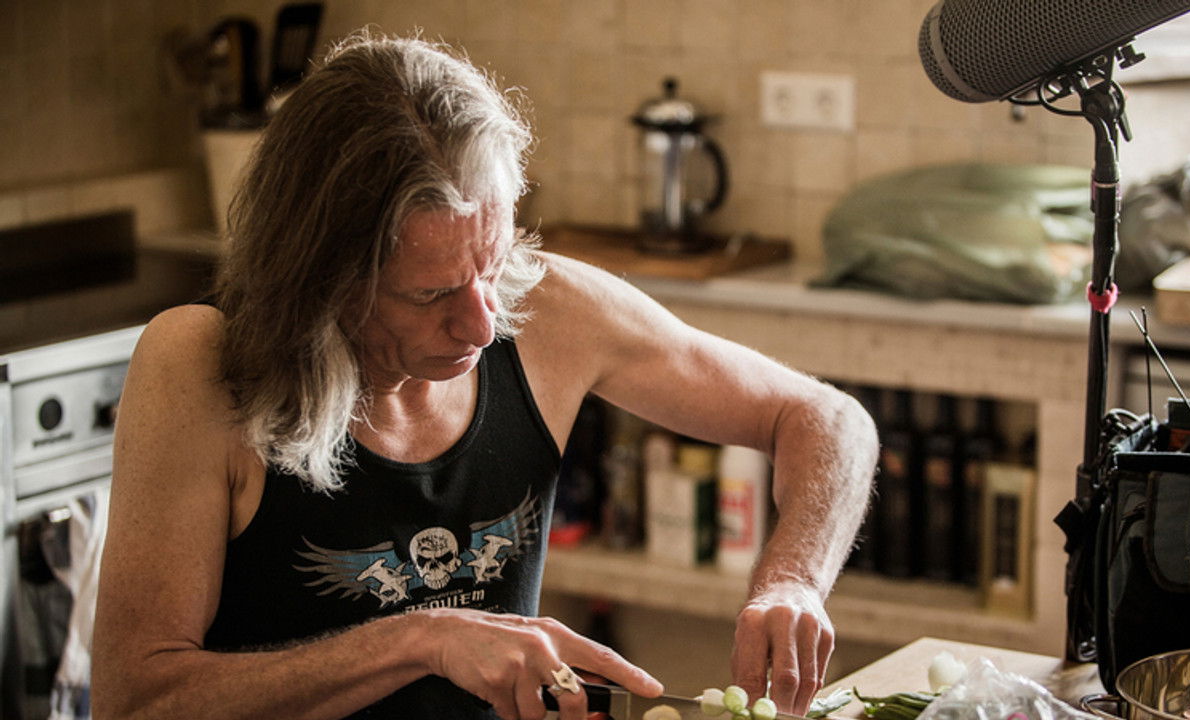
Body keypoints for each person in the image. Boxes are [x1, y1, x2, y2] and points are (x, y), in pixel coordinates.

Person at [91, 30, 877, 720]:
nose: (481, 323)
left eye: (492, 268)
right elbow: (135, 702)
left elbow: (826, 419)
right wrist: (419, 642)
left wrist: (793, 583)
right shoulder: (201, 366)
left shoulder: (554, 310)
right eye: (430, 294)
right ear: (321, 281)